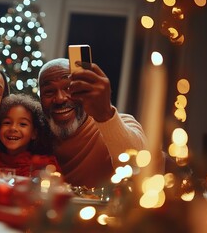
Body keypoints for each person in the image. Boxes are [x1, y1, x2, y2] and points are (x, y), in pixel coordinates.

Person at [38, 58, 150, 188]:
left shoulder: (116, 122)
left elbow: (141, 170)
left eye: (68, 88)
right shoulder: (36, 133)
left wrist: (105, 115)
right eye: (49, 92)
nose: (59, 99)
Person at [0, 94, 60, 177]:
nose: (13, 128)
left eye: (22, 124)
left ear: (34, 133)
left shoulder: (44, 165)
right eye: (7, 122)